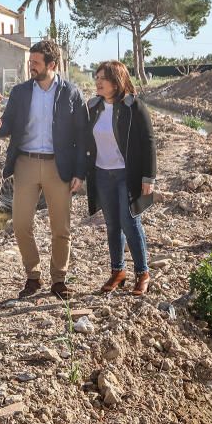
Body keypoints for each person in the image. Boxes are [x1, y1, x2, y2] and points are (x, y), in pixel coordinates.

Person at [0, 39, 88, 300]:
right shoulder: (21, 92)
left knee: (61, 227)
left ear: (52, 65)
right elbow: (7, 125)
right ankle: (33, 277)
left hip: (60, 166)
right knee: (21, 224)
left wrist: (80, 171)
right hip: (26, 164)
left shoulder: (71, 93)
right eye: (29, 62)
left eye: (35, 63)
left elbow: (83, 134)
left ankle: (59, 280)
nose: (30, 66)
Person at [84, 60, 157, 296]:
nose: (97, 83)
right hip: (102, 174)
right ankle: (118, 271)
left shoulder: (133, 106)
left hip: (128, 174)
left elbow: (148, 142)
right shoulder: (93, 107)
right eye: (96, 78)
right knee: (113, 224)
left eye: (101, 79)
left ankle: (142, 273)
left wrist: (149, 177)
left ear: (116, 82)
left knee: (130, 222)